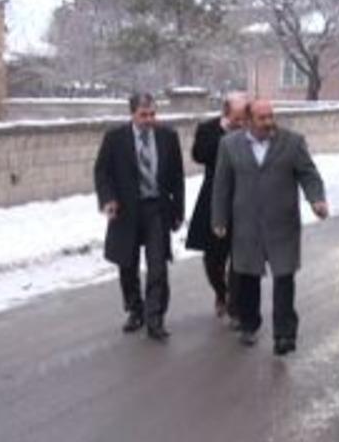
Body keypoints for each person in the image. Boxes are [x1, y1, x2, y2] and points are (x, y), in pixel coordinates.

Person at [211, 99, 328, 355]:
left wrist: (316, 199)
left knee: (284, 278)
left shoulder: (292, 142)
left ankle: (284, 334)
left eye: (271, 116)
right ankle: (250, 325)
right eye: (262, 118)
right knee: (248, 277)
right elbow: (221, 185)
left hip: (282, 223)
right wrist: (219, 219)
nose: (268, 122)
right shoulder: (229, 145)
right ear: (248, 121)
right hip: (247, 223)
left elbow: (309, 174)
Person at [93, 93, 185, 341]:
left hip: (157, 209)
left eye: (153, 114)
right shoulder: (115, 139)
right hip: (126, 210)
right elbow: (102, 172)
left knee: (158, 266)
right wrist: (108, 199)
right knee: (128, 264)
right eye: (143, 115)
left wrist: (178, 211)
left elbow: (177, 177)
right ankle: (135, 310)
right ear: (132, 114)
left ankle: (156, 319)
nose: (149, 120)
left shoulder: (168, 137)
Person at [185, 93, 248, 325]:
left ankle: (235, 308)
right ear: (226, 114)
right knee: (213, 258)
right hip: (214, 199)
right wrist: (226, 136)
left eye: (245, 118)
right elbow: (199, 155)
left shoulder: (252, 129)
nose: (242, 123)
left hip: (244, 201)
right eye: (238, 118)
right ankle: (221, 293)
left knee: (240, 258)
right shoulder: (208, 129)